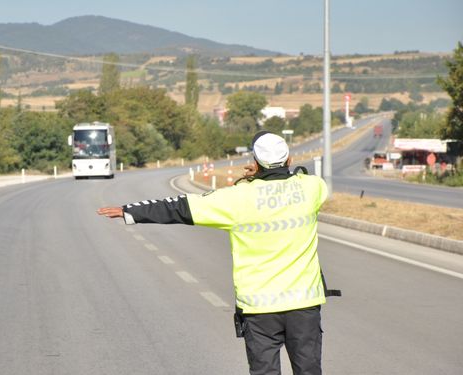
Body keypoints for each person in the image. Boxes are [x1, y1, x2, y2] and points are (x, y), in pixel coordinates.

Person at [97, 131, 332, 375]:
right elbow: (299, 180)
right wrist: (265, 176)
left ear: (255, 162)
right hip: (305, 307)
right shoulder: (312, 188)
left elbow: (180, 208)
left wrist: (129, 212)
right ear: (289, 159)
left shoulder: (237, 197)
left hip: (259, 310)